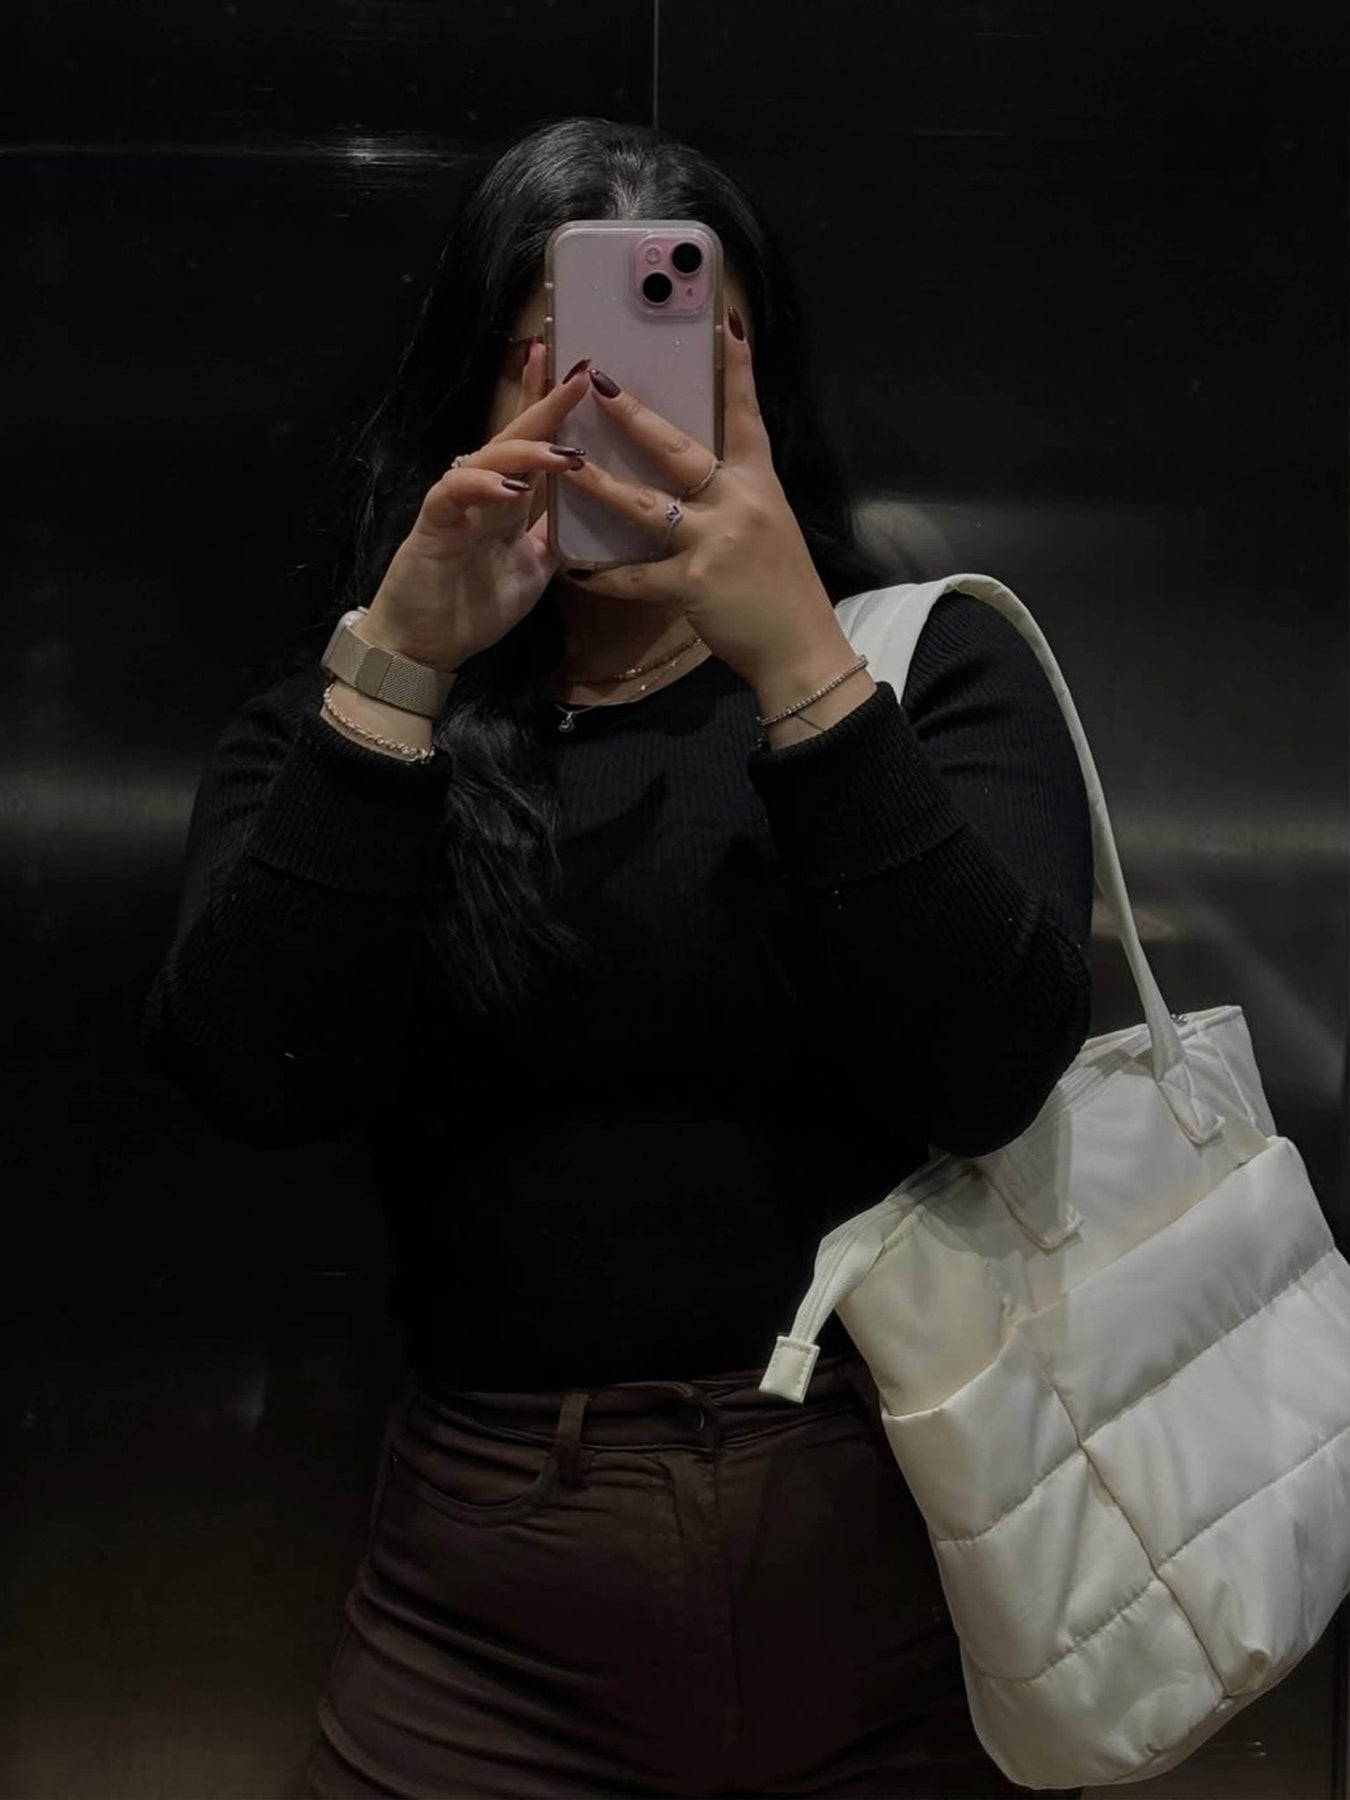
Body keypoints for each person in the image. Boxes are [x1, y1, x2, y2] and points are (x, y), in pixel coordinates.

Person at [142, 114, 1093, 1800]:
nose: (626, 414)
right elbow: (245, 1077)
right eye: (564, 364)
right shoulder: (348, 724)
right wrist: (402, 672)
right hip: (482, 1604)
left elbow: (992, 1069)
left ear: (760, 391)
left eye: (687, 363)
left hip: (913, 1563)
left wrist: (798, 666)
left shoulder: (923, 673)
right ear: (477, 392)